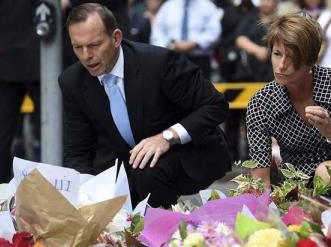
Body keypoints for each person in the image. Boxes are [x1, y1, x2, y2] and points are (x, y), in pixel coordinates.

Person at [59, 3, 231, 208]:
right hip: (127, 163)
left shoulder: (159, 63)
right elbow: (78, 150)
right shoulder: (72, 81)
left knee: (147, 171)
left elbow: (215, 105)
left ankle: (163, 234)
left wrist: (167, 136)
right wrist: (83, 195)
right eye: (78, 47)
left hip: (190, 153)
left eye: (94, 45)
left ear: (116, 38)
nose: (86, 55)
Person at [246, 12, 331, 216]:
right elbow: (260, 179)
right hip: (297, 188)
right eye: (277, 54)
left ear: (310, 61)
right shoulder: (261, 102)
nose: (281, 65)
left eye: (291, 58)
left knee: (328, 172)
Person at [0, 0, 41, 184]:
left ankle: (57, 195)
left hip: (43, 54)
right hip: (4, 60)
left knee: (56, 137)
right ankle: (2, 199)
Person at [151, 0, 221, 79]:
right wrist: (167, 46)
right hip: (172, 59)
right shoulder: (167, 6)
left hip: (199, 59)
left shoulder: (208, 6)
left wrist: (195, 43)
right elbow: (157, 33)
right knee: (173, 90)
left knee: (200, 90)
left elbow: (214, 32)